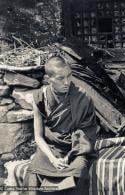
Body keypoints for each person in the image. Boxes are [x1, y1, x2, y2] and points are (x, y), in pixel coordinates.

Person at [24, 56, 98, 195]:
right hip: (51, 148)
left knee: (79, 172)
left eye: (69, 76)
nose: (67, 82)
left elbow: (87, 131)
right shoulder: (40, 98)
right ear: (49, 79)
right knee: (34, 173)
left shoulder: (83, 97)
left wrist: (69, 156)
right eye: (60, 78)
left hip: (76, 149)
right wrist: (52, 159)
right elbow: (38, 137)